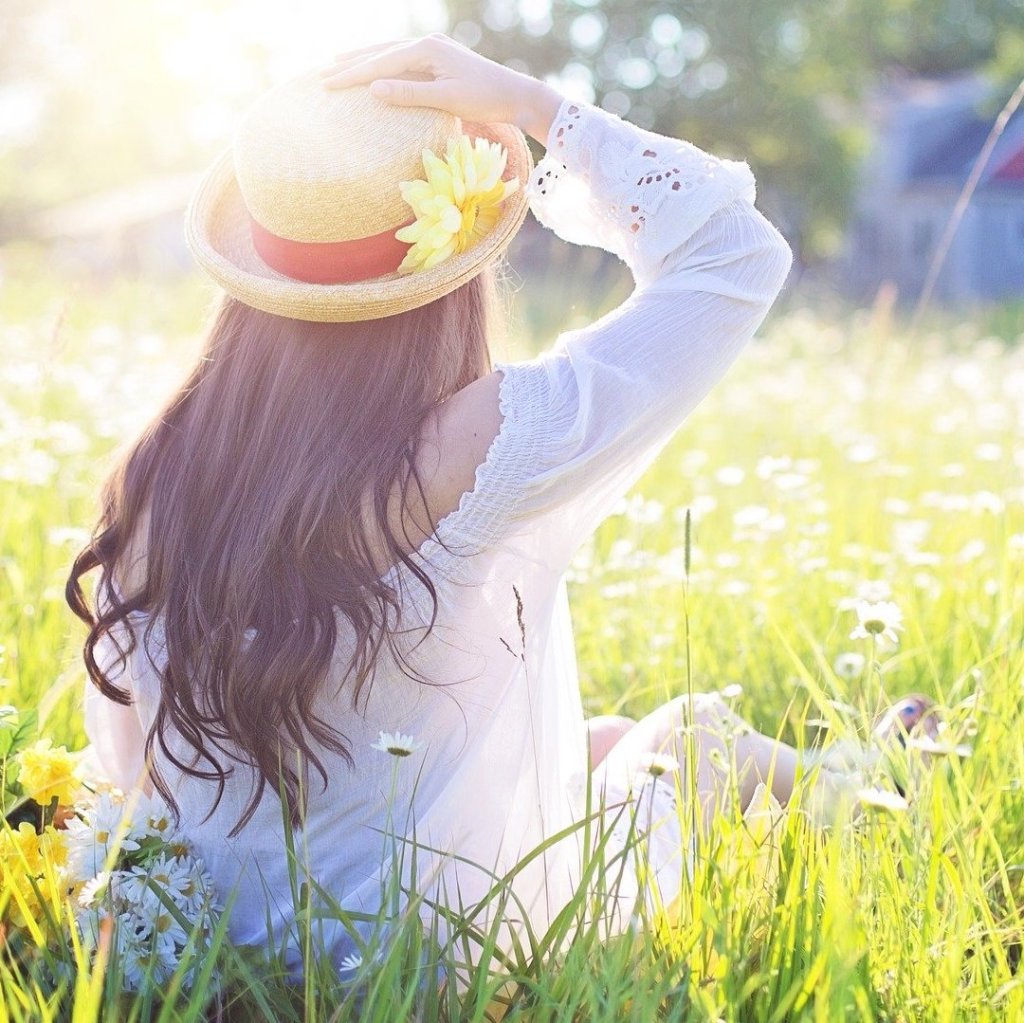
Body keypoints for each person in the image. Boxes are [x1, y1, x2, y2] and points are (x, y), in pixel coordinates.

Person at [65, 35, 929, 980]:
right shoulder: (474, 444)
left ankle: (864, 773)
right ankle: (875, 790)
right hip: (442, 956)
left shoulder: (158, 467)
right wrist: (537, 107)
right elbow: (736, 253)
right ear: (449, 272)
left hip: (224, 941)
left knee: (601, 743)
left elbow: (129, 759)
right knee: (693, 736)